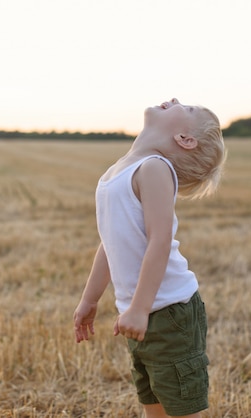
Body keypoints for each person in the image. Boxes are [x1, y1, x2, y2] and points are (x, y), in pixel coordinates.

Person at [73, 97, 227, 418]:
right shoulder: (118, 171)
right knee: (153, 407)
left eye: (187, 108)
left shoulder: (154, 168)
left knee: (182, 411)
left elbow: (160, 241)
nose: (174, 100)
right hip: (139, 312)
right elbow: (110, 243)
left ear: (185, 139)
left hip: (169, 312)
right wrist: (90, 299)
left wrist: (140, 309)